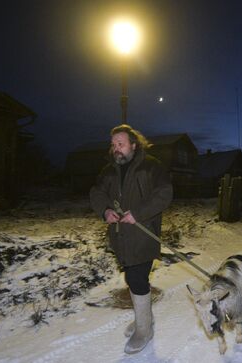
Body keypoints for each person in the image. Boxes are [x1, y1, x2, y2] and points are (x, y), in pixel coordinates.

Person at [90, 124, 173, 354]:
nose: (116, 148)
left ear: (134, 145)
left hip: (143, 234)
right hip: (120, 237)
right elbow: (96, 192)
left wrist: (138, 213)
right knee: (133, 278)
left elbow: (165, 193)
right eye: (113, 144)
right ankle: (144, 319)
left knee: (136, 278)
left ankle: (144, 329)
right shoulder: (108, 170)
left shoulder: (151, 166)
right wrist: (105, 210)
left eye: (121, 143)